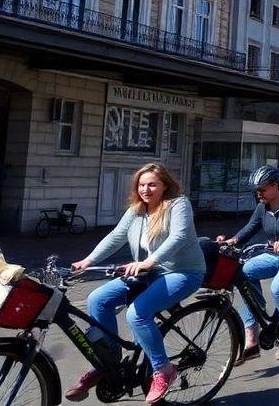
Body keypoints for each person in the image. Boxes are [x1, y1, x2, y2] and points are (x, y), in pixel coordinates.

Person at [66, 163, 205, 403]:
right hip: (148, 271)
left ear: (165, 186)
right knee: (98, 299)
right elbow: (116, 237)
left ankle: (164, 370)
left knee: (137, 314)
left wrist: (150, 261)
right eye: (141, 185)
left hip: (183, 272)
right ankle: (108, 364)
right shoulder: (136, 210)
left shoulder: (178, 204)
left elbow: (179, 237)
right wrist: (87, 261)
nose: (146, 189)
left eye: (152, 184)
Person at [217, 165, 279, 363]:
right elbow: (251, 227)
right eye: (256, 190)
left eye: (262, 189)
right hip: (275, 256)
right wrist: (233, 240)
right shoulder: (263, 206)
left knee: (278, 287)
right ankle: (253, 327)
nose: (258, 193)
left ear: (274, 186)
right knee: (244, 272)